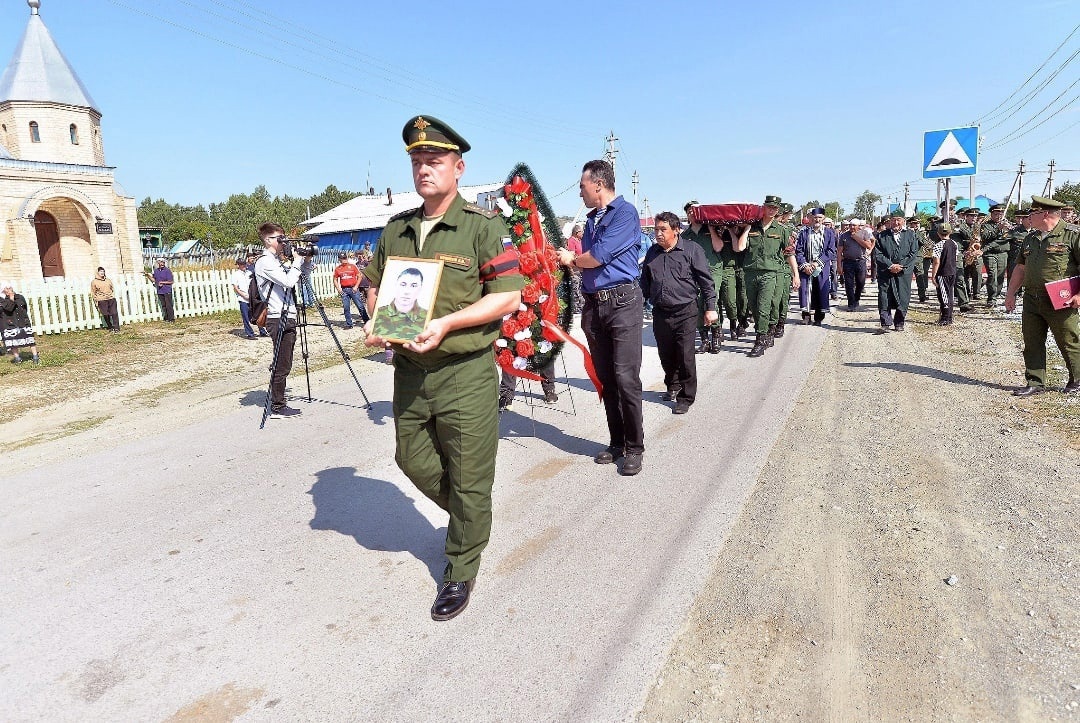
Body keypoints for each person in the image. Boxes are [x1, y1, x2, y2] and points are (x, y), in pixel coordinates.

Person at [362, 115, 524, 621]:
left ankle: (461, 565)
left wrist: (448, 323)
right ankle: (471, 520)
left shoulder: (482, 227)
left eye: (433, 160)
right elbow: (375, 286)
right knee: (411, 458)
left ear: (458, 167)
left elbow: (508, 297)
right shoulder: (397, 228)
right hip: (411, 370)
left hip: (465, 371)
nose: (424, 169)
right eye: (417, 161)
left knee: (470, 474)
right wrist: (376, 318)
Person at [556, 159, 644, 476]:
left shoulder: (625, 214)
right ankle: (617, 441)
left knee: (625, 377)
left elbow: (598, 257)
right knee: (606, 377)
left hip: (622, 303)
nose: (580, 192)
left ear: (598, 184)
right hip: (595, 306)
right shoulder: (593, 219)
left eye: (582, 186)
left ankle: (635, 447)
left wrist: (572, 259)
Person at [640, 211, 717, 414]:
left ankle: (686, 397)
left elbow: (706, 282)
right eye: (656, 229)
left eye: (663, 229)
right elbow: (645, 283)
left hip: (686, 311)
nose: (658, 234)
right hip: (660, 312)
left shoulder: (692, 250)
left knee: (685, 355)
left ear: (676, 230)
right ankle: (672, 385)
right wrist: (636, 305)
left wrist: (710, 308)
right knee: (666, 353)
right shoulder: (653, 252)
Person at [1004, 196, 1080, 396]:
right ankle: (1035, 382)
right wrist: (1010, 293)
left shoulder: (1072, 234)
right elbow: (1020, 268)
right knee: (1032, 341)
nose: (1028, 217)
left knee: (1068, 340)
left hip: (1061, 298)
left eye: (1032, 213)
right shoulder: (1031, 238)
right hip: (1032, 297)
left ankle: (1077, 379)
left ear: (1044, 214)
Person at [254, 222, 313, 419]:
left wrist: (305, 261)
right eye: (281, 239)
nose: (284, 243)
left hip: (287, 315)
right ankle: (277, 406)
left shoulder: (277, 261)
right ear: (268, 240)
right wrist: (296, 261)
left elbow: (300, 277)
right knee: (281, 363)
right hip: (277, 317)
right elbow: (288, 282)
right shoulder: (265, 262)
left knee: (284, 362)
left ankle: (278, 401)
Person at [730, 195, 796, 357]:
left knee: (764, 306)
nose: (772, 210)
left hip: (770, 273)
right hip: (750, 273)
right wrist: (746, 229)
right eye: (769, 207)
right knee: (753, 307)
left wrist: (796, 275)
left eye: (775, 208)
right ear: (764, 207)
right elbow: (739, 248)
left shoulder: (781, 230)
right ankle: (765, 332)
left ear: (778, 210)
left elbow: (789, 253)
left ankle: (760, 340)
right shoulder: (751, 226)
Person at [682, 201, 725, 353]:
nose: (692, 214)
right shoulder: (684, 236)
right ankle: (704, 339)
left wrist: (711, 229)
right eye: (689, 212)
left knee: (711, 301)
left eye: (695, 211)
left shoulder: (711, 229)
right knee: (697, 304)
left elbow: (718, 247)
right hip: (693, 273)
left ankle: (716, 335)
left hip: (713, 269)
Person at [872, 209, 919, 332]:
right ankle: (885, 323)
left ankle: (899, 322)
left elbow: (913, 253)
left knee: (903, 296)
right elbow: (878, 254)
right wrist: (890, 265)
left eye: (898, 220)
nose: (896, 223)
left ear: (903, 221)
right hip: (886, 271)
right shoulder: (882, 235)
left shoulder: (911, 235)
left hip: (903, 272)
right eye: (893, 220)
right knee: (884, 296)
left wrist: (900, 266)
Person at [794, 207, 838, 325]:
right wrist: (805, 265)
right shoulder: (804, 233)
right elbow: (799, 251)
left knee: (821, 290)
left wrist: (817, 263)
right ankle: (806, 315)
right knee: (805, 291)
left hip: (821, 266)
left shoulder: (829, 233)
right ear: (811, 218)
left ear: (823, 218)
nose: (817, 220)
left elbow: (831, 251)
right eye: (815, 217)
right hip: (806, 266)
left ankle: (819, 317)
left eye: (819, 217)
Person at [374, 266, 430, 340]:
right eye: (403, 284)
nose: (407, 291)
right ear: (396, 285)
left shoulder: (428, 317)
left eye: (413, 286)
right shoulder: (378, 313)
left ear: (420, 288)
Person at [980, 204, 1011, 308]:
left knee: (1000, 276)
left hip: (1003, 253)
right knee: (992, 275)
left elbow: (1010, 237)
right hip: (990, 253)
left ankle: (996, 295)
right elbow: (985, 236)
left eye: (1000, 214)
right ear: (991, 214)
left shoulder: (1007, 224)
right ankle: (991, 298)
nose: (999, 216)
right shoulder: (986, 225)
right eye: (996, 214)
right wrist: (998, 229)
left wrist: (1008, 228)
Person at [1, 282, 39, 363]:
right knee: (13, 342)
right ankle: (17, 358)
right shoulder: (3, 300)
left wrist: (24, 317)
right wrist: (11, 298)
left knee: (30, 339)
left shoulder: (20, 297)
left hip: (23, 321)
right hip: (11, 323)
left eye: (10, 288)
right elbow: (9, 308)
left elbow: (25, 307)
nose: (9, 290)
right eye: (6, 288)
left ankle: (35, 356)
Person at [839, 219, 872, 310]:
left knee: (861, 282)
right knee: (849, 284)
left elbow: (868, 246)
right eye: (850, 225)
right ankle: (851, 304)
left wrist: (856, 238)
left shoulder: (864, 233)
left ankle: (856, 298)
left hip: (860, 261)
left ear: (858, 226)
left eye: (854, 225)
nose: (851, 227)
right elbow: (839, 251)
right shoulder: (844, 235)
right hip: (848, 262)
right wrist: (839, 265)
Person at [929, 223, 958, 325]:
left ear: (938, 233)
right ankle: (949, 316)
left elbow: (936, 262)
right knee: (950, 294)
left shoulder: (938, 245)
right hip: (952, 272)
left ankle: (945, 318)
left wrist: (933, 276)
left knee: (943, 296)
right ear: (950, 232)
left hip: (942, 273)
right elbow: (955, 258)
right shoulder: (954, 243)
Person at [333, 252, 368, 329]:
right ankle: (349, 324)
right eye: (342, 259)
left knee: (360, 306)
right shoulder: (338, 269)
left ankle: (367, 322)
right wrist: (338, 289)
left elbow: (359, 276)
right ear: (339, 259)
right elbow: (335, 279)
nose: (344, 260)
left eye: (345, 258)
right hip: (344, 290)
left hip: (353, 289)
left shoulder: (353, 266)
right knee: (346, 308)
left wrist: (356, 286)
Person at [231, 257, 260, 339]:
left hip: (251, 297)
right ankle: (250, 334)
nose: (244, 265)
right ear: (238, 265)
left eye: (244, 264)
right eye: (241, 264)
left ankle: (262, 331)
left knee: (256, 315)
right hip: (243, 298)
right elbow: (235, 287)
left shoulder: (249, 273)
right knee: (246, 317)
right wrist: (243, 295)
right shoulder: (235, 274)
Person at [910, 217, 933, 303]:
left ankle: (922, 295)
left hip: (918, 257)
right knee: (906, 277)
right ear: (910, 224)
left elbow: (925, 243)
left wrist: (916, 234)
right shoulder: (906, 232)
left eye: (918, 223)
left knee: (920, 276)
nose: (917, 225)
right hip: (907, 258)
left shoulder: (921, 233)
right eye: (915, 223)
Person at [90, 267, 120, 333]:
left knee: (114, 313)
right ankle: (110, 326)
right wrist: (96, 300)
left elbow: (112, 288)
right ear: (97, 272)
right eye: (100, 271)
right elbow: (93, 292)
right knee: (106, 314)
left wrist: (112, 295)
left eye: (103, 271)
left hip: (111, 298)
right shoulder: (94, 282)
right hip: (102, 300)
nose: (102, 273)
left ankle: (116, 328)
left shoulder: (108, 280)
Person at [565, 224, 585, 313]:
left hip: (582, 268)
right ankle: (576, 307)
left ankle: (581, 305)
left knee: (581, 287)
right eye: (582, 231)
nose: (583, 233)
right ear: (577, 232)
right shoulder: (571, 241)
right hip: (575, 269)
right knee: (576, 288)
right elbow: (571, 255)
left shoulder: (579, 241)